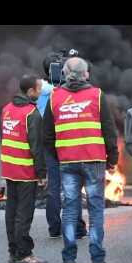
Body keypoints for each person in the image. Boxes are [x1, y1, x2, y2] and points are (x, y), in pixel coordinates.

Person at [44, 57, 119, 263]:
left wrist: (58, 156)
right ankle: (97, 261)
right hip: (94, 160)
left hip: (67, 162)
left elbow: (47, 136)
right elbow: (109, 130)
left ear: (65, 74)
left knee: (69, 210)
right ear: (86, 74)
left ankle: (68, 260)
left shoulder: (54, 97)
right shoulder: (97, 95)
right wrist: (112, 159)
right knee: (95, 210)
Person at [38, 54, 87, 240]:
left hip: (50, 146)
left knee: (54, 187)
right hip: (69, 145)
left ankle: (54, 227)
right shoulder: (62, 94)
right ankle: (78, 227)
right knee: (72, 187)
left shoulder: (42, 93)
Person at [1, 74, 47, 263]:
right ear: (30, 92)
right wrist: (42, 173)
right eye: (38, 88)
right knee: (24, 213)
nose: (41, 91)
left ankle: (13, 251)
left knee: (11, 211)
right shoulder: (32, 114)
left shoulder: (6, 110)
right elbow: (37, 147)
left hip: (9, 169)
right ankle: (25, 253)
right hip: (25, 172)